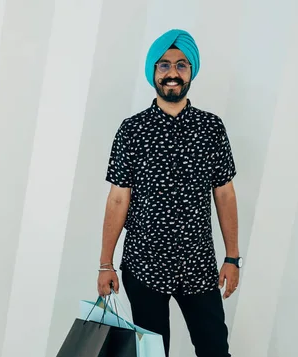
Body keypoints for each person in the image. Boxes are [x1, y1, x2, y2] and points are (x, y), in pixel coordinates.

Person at [96, 29, 242, 357]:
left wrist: (232, 257)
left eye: (181, 65)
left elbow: (225, 194)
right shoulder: (132, 130)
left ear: (191, 72)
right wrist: (106, 264)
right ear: (154, 72)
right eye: (164, 66)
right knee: (151, 354)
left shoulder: (211, 129)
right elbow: (118, 198)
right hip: (144, 265)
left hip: (198, 266)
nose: (172, 73)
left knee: (215, 349)